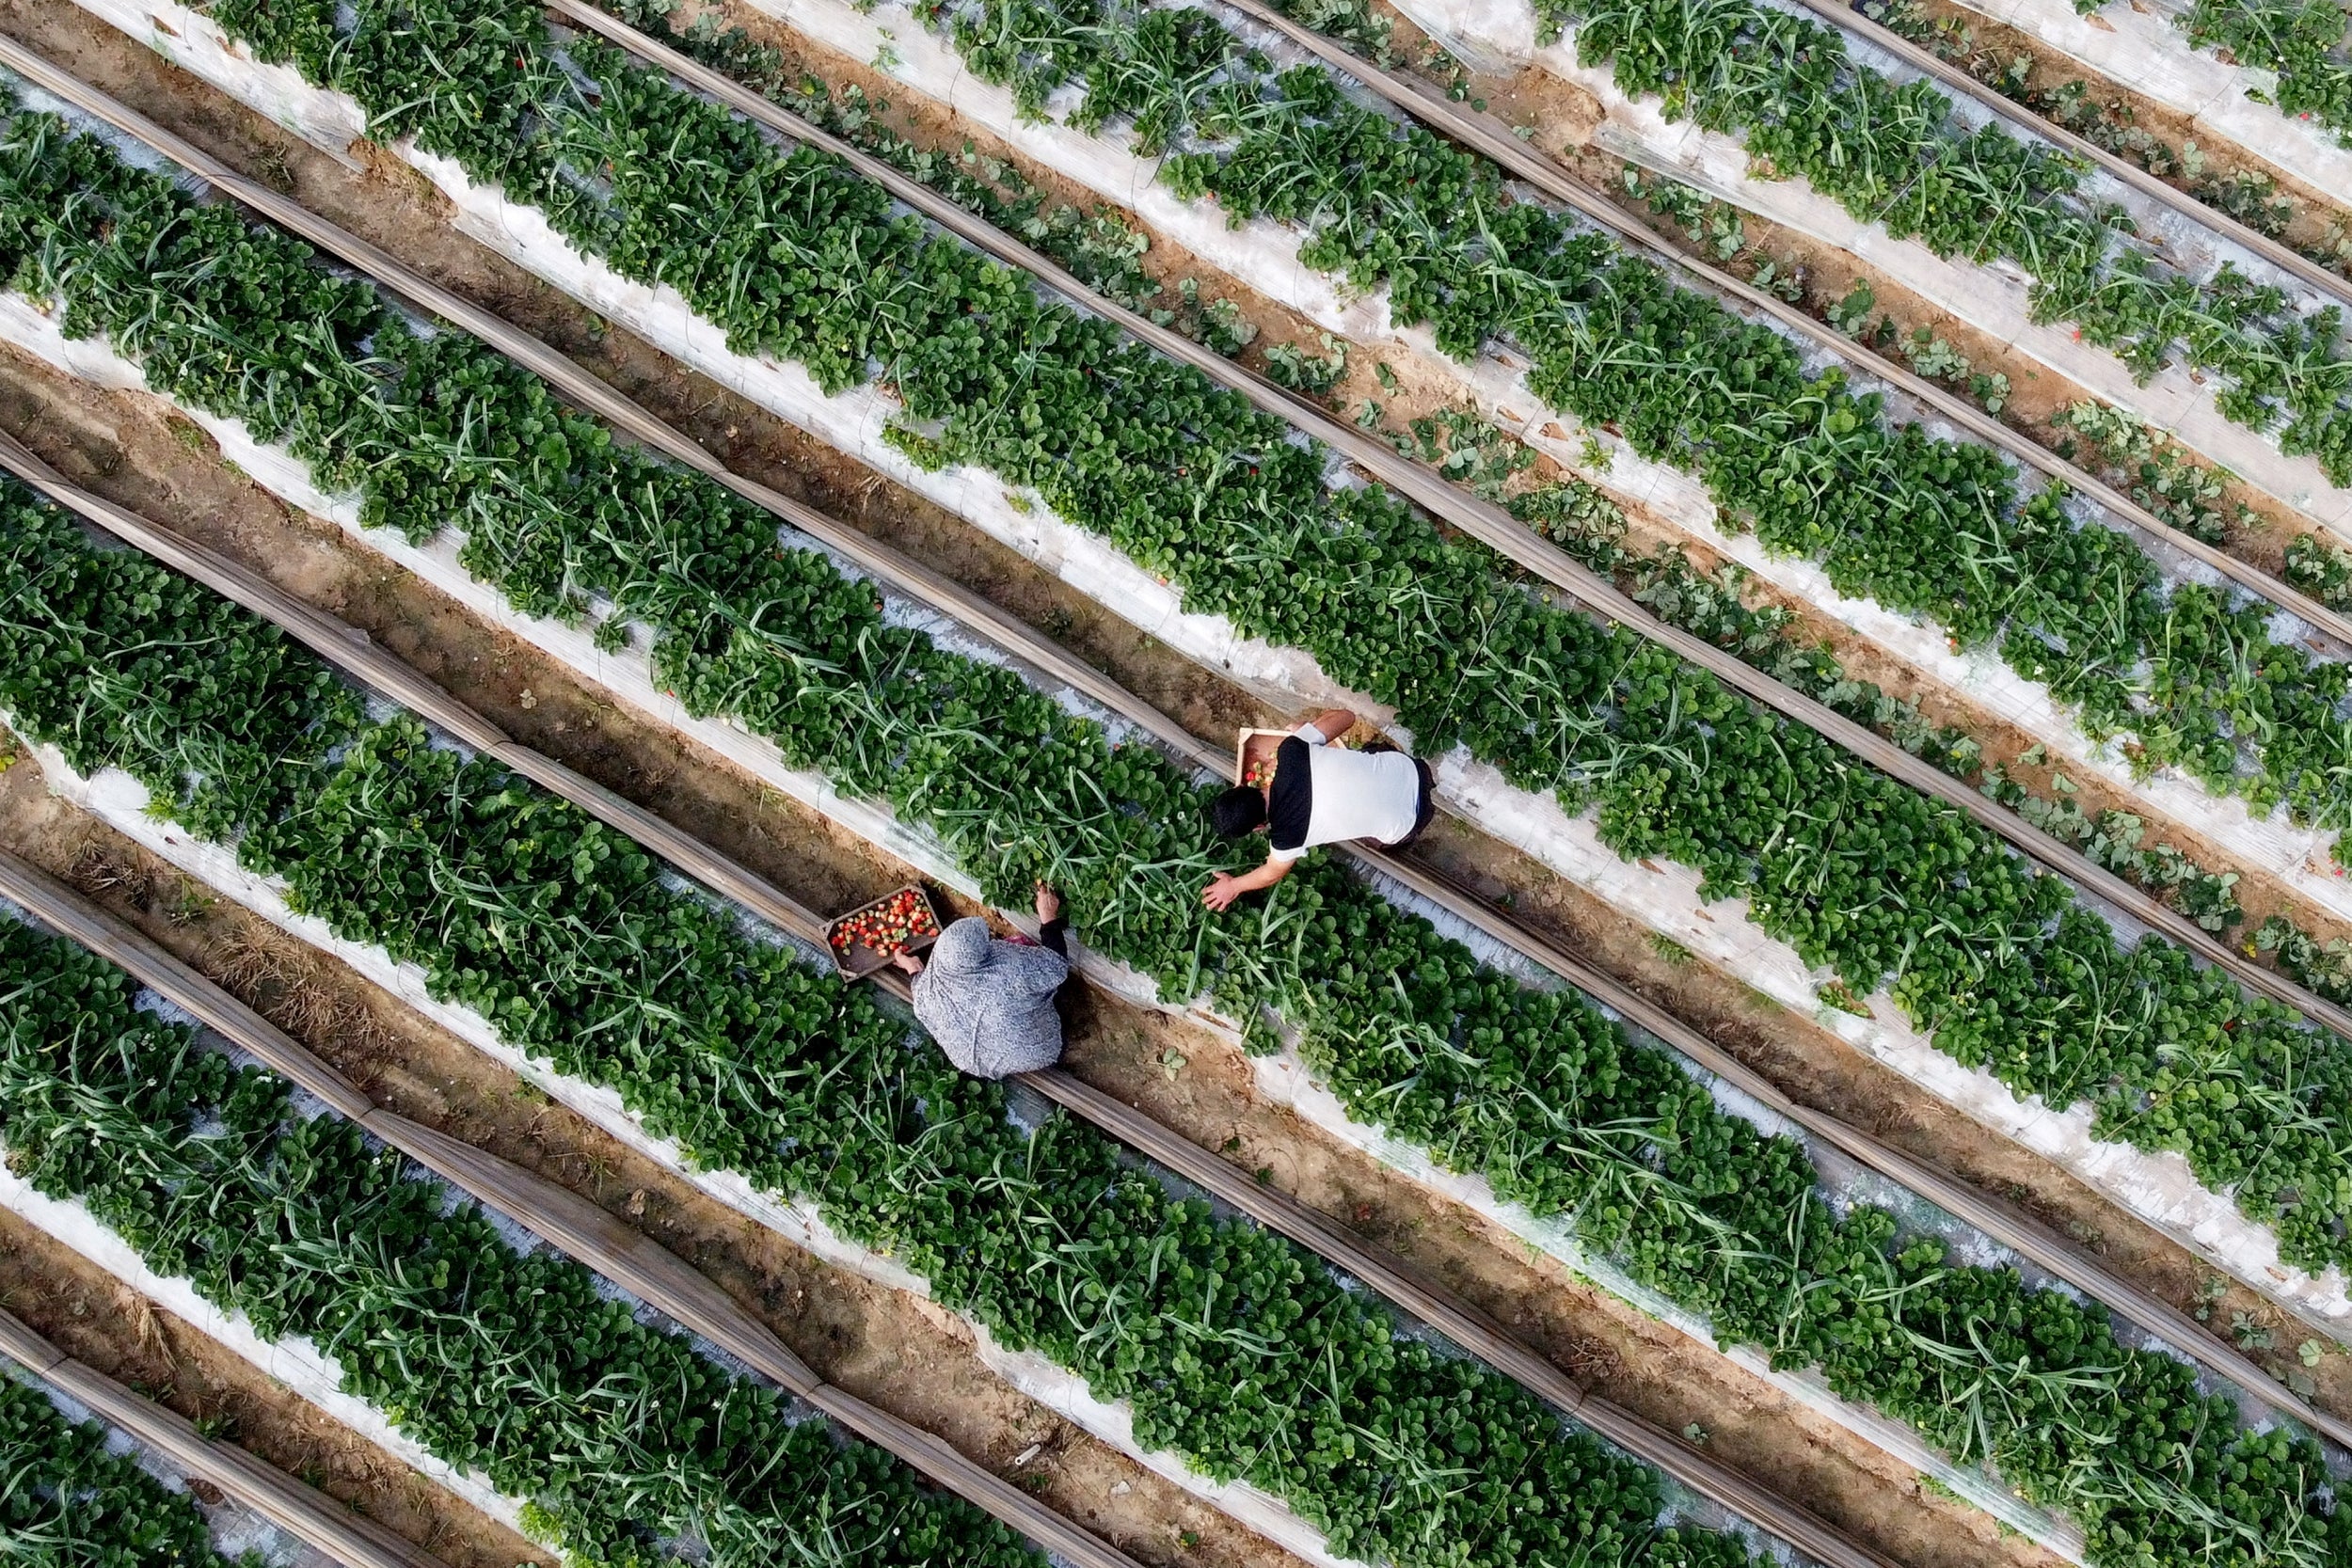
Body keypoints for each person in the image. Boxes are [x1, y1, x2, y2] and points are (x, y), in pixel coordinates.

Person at [1201, 708, 1433, 911]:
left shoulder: (1286, 839)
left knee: (1376, 838)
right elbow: (1346, 717)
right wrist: (1304, 732)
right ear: (1247, 786)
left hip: (1412, 819)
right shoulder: (1291, 751)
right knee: (1367, 755)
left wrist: (1233, 886)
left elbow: (1271, 873)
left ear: (1258, 827)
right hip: (1409, 769)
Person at [893, 880, 1073, 1078]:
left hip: (975, 1063)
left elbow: (918, 983)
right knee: (1052, 984)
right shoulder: (1009, 972)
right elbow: (1057, 966)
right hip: (1040, 1049)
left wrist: (910, 966)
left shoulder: (925, 992)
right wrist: (1048, 920)